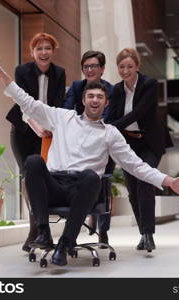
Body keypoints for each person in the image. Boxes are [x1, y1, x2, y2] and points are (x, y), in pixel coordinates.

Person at [0, 55, 179, 266]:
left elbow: (136, 165)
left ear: (106, 103)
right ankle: (43, 233)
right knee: (33, 162)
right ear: (83, 100)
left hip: (83, 189)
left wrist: (168, 181)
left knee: (92, 177)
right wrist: (4, 77)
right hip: (55, 185)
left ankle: (65, 244)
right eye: (91, 96)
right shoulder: (62, 117)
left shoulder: (110, 133)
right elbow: (27, 102)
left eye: (100, 97)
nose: (95, 100)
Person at [5, 33, 66, 252]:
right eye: (39, 48)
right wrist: (36, 126)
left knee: (43, 178)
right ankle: (38, 231)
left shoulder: (59, 73)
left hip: (48, 132)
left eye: (47, 48)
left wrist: (49, 128)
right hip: (23, 130)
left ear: (53, 51)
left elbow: (58, 105)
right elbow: (21, 101)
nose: (43, 52)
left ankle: (39, 230)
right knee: (26, 177)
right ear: (33, 52)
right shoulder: (22, 71)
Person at [107, 48, 166, 252]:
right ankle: (143, 233)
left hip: (150, 143)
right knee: (133, 191)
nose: (125, 70)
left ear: (137, 66)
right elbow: (112, 113)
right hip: (128, 144)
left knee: (144, 181)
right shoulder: (116, 90)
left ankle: (149, 235)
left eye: (130, 66)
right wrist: (101, 128)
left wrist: (112, 127)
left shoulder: (149, 84)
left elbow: (139, 112)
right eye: (122, 67)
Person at [63, 50, 114, 246]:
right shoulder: (76, 87)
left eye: (93, 66)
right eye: (86, 67)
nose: (89, 70)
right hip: (78, 146)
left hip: (103, 144)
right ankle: (73, 230)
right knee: (73, 183)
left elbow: (111, 117)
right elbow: (66, 111)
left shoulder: (111, 90)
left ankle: (104, 230)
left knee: (104, 186)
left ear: (102, 69)